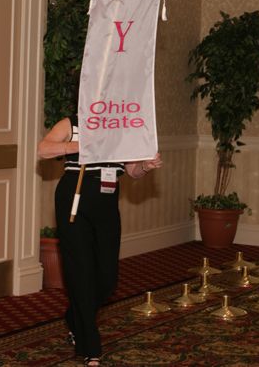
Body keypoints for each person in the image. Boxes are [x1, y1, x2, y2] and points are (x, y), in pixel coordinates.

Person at [38, 114, 162, 366]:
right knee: (80, 271)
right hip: (73, 200)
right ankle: (89, 345)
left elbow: (132, 171)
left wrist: (146, 167)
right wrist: (80, 146)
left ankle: (75, 317)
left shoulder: (122, 128)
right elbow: (43, 150)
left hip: (106, 202)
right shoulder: (71, 124)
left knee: (107, 279)